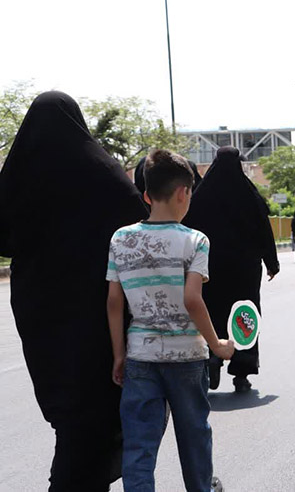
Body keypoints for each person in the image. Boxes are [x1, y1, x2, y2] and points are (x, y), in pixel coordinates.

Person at [0, 91, 148, 491]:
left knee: (68, 409)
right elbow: (138, 226)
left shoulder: (20, 174)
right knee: (95, 406)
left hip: (40, 309)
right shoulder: (103, 173)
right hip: (96, 309)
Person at [106, 149, 234, 491]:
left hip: (140, 357)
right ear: (184, 192)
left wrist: (119, 354)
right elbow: (193, 300)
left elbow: (115, 302)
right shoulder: (195, 241)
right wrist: (217, 344)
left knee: (139, 445)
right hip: (186, 359)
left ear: (147, 195)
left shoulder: (120, 239)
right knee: (194, 436)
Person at [182, 146, 280, 393]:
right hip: (244, 269)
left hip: (209, 267)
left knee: (213, 312)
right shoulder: (249, 194)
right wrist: (272, 262)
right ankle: (242, 372)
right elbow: (264, 230)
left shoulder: (202, 194)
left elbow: (188, 227)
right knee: (244, 315)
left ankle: (212, 357)